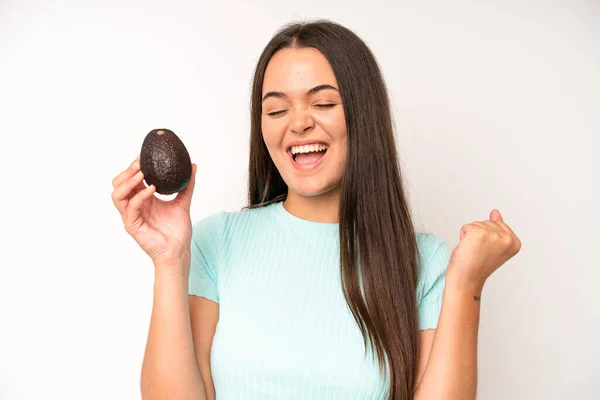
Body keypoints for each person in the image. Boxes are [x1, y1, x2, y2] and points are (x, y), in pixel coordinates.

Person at [111, 19, 521, 400]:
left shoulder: (424, 262)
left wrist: (467, 280)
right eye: (276, 109)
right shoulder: (216, 243)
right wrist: (169, 261)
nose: (298, 123)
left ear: (364, 116)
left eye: (323, 104)